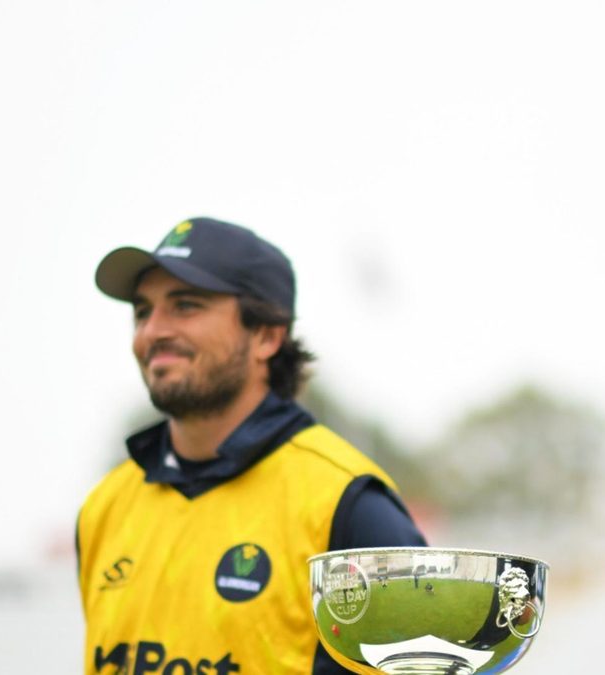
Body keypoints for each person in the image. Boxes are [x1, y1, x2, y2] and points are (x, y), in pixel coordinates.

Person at [77, 217, 427, 674]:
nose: (152, 331)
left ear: (266, 335)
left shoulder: (348, 503)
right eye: (142, 311)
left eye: (185, 306)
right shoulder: (104, 507)